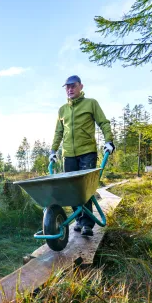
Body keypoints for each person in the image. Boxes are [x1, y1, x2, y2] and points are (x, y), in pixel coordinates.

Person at [49, 75, 115, 237]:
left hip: (87, 152)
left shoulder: (91, 103)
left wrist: (109, 141)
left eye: (73, 86)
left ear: (81, 87)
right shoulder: (62, 110)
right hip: (69, 155)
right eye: (67, 87)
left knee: (85, 190)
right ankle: (78, 219)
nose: (70, 89)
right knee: (71, 190)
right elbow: (58, 132)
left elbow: (103, 122)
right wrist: (53, 151)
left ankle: (87, 223)